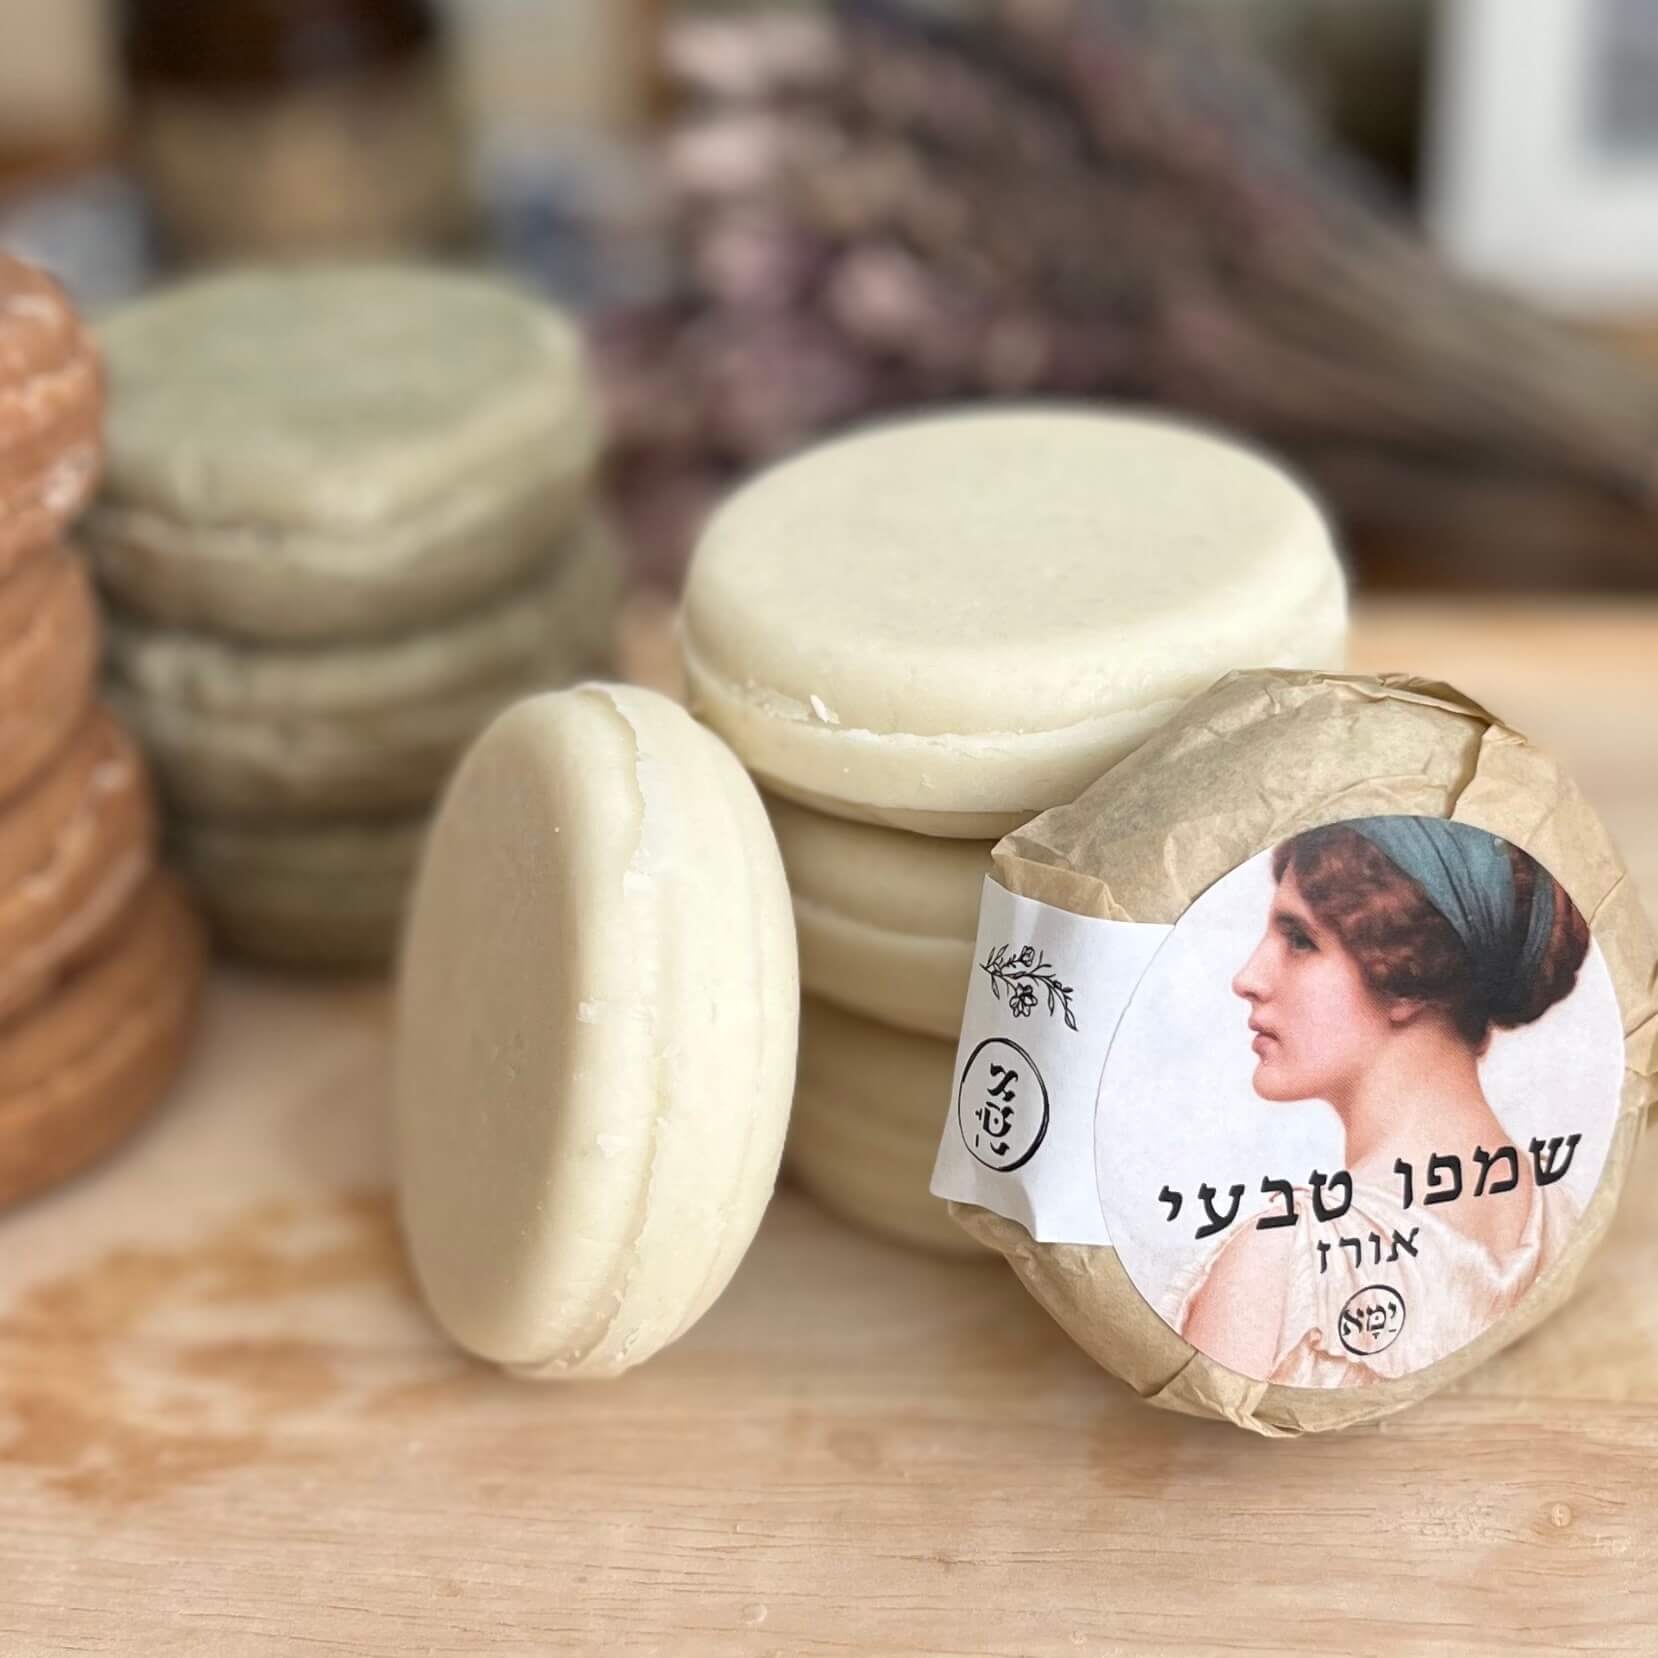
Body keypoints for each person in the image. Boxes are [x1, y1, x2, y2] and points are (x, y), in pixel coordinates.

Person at [1167, 817, 1591, 1385]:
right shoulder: (1563, 1216)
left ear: (1406, 975)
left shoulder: (1282, 1261)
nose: (1248, 978)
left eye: (1300, 940)